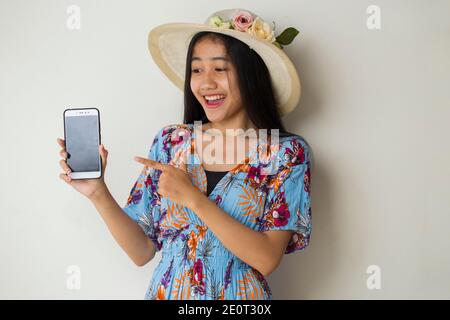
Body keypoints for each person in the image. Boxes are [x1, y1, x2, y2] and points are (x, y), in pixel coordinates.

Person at [57, 8, 312, 300]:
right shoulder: (171, 142)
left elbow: (266, 259)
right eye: (197, 69)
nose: (206, 83)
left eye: (220, 68)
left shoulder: (286, 154)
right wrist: (98, 192)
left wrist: (192, 198)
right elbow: (141, 252)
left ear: (251, 73)